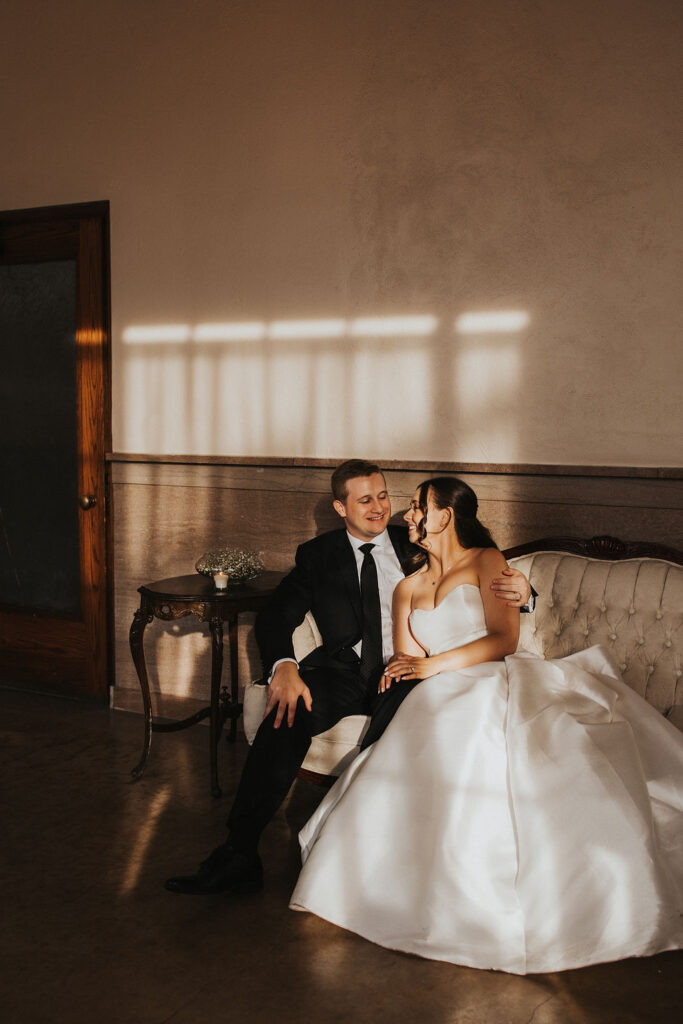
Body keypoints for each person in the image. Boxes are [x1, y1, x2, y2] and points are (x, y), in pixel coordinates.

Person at [290, 476, 683, 974]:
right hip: (437, 687)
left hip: (497, 676)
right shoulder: (408, 587)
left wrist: (436, 665)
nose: (407, 516)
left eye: (417, 507)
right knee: (425, 722)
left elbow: (503, 639)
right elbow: (409, 660)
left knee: (497, 735)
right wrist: (404, 671)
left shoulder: (488, 561)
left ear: (446, 515)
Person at [165, 461, 533, 896]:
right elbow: (276, 616)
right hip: (342, 672)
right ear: (340, 507)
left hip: (407, 672)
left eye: (383, 496)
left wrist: (527, 593)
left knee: (402, 715)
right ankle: (239, 851)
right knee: (287, 712)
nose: (380, 509)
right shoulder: (317, 556)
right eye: (364, 500)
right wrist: (284, 666)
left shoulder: (415, 539)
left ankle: (370, 853)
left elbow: (478, 570)